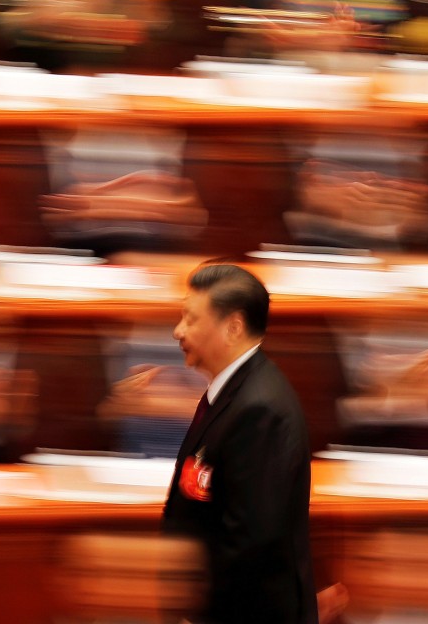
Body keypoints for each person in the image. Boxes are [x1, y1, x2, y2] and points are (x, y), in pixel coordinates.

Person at [163, 263, 318, 624]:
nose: (177, 331)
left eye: (190, 319)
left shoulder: (259, 408)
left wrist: (198, 613)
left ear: (232, 327)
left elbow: (251, 543)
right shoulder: (235, 391)